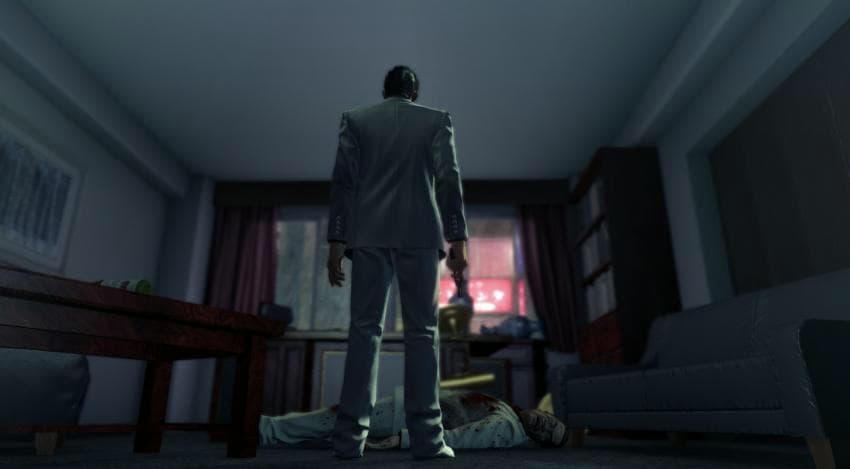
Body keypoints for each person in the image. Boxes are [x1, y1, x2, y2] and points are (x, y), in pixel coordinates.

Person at [325, 65, 469, 460]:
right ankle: (428, 440)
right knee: (423, 334)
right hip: (420, 233)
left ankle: (348, 440)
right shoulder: (436, 120)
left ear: (384, 91)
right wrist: (457, 238)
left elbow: (343, 182)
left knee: (363, 332)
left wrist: (336, 238)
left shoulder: (355, 120)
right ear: (415, 93)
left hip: (369, 234)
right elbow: (448, 178)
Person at [259, 389, 567, 451]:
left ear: (536, 440)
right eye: (550, 422)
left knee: (336, 418)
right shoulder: (509, 412)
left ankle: (266, 430)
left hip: (406, 418)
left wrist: (403, 440)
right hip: (410, 410)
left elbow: (461, 439)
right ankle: (271, 429)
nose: (544, 426)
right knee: (335, 419)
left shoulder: (507, 428)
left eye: (546, 435)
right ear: (546, 412)